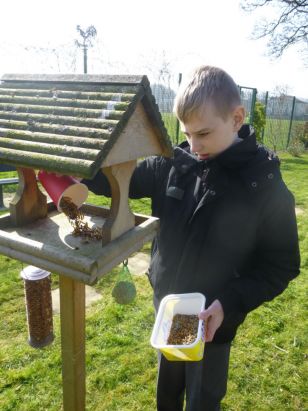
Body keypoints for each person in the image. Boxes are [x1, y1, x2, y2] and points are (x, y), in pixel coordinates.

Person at [83, 65, 300, 411]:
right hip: (169, 311)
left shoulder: (264, 185)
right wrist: (80, 166)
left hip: (212, 323)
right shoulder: (175, 163)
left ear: (237, 118)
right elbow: (119, 180)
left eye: (204, 134)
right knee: (167, 394)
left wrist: (228, 303)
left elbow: (281, 265)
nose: (194, 145)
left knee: (202, 399)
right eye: (187, 133)